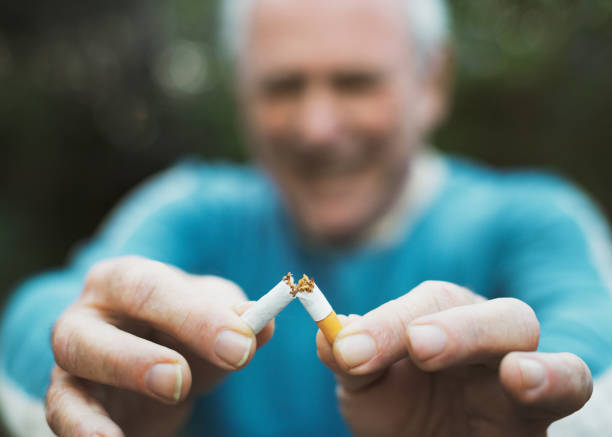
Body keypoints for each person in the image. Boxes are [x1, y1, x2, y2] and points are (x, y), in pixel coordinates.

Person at [2, 0, 612, 435]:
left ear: (432, 80)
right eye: (283, 86)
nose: (317, 128)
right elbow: (51, 310)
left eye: (355, 83)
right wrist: (85, 366)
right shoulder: (189, 209)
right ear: (242, 92)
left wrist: (527, 411)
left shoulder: (536, 218)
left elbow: (591, 345)